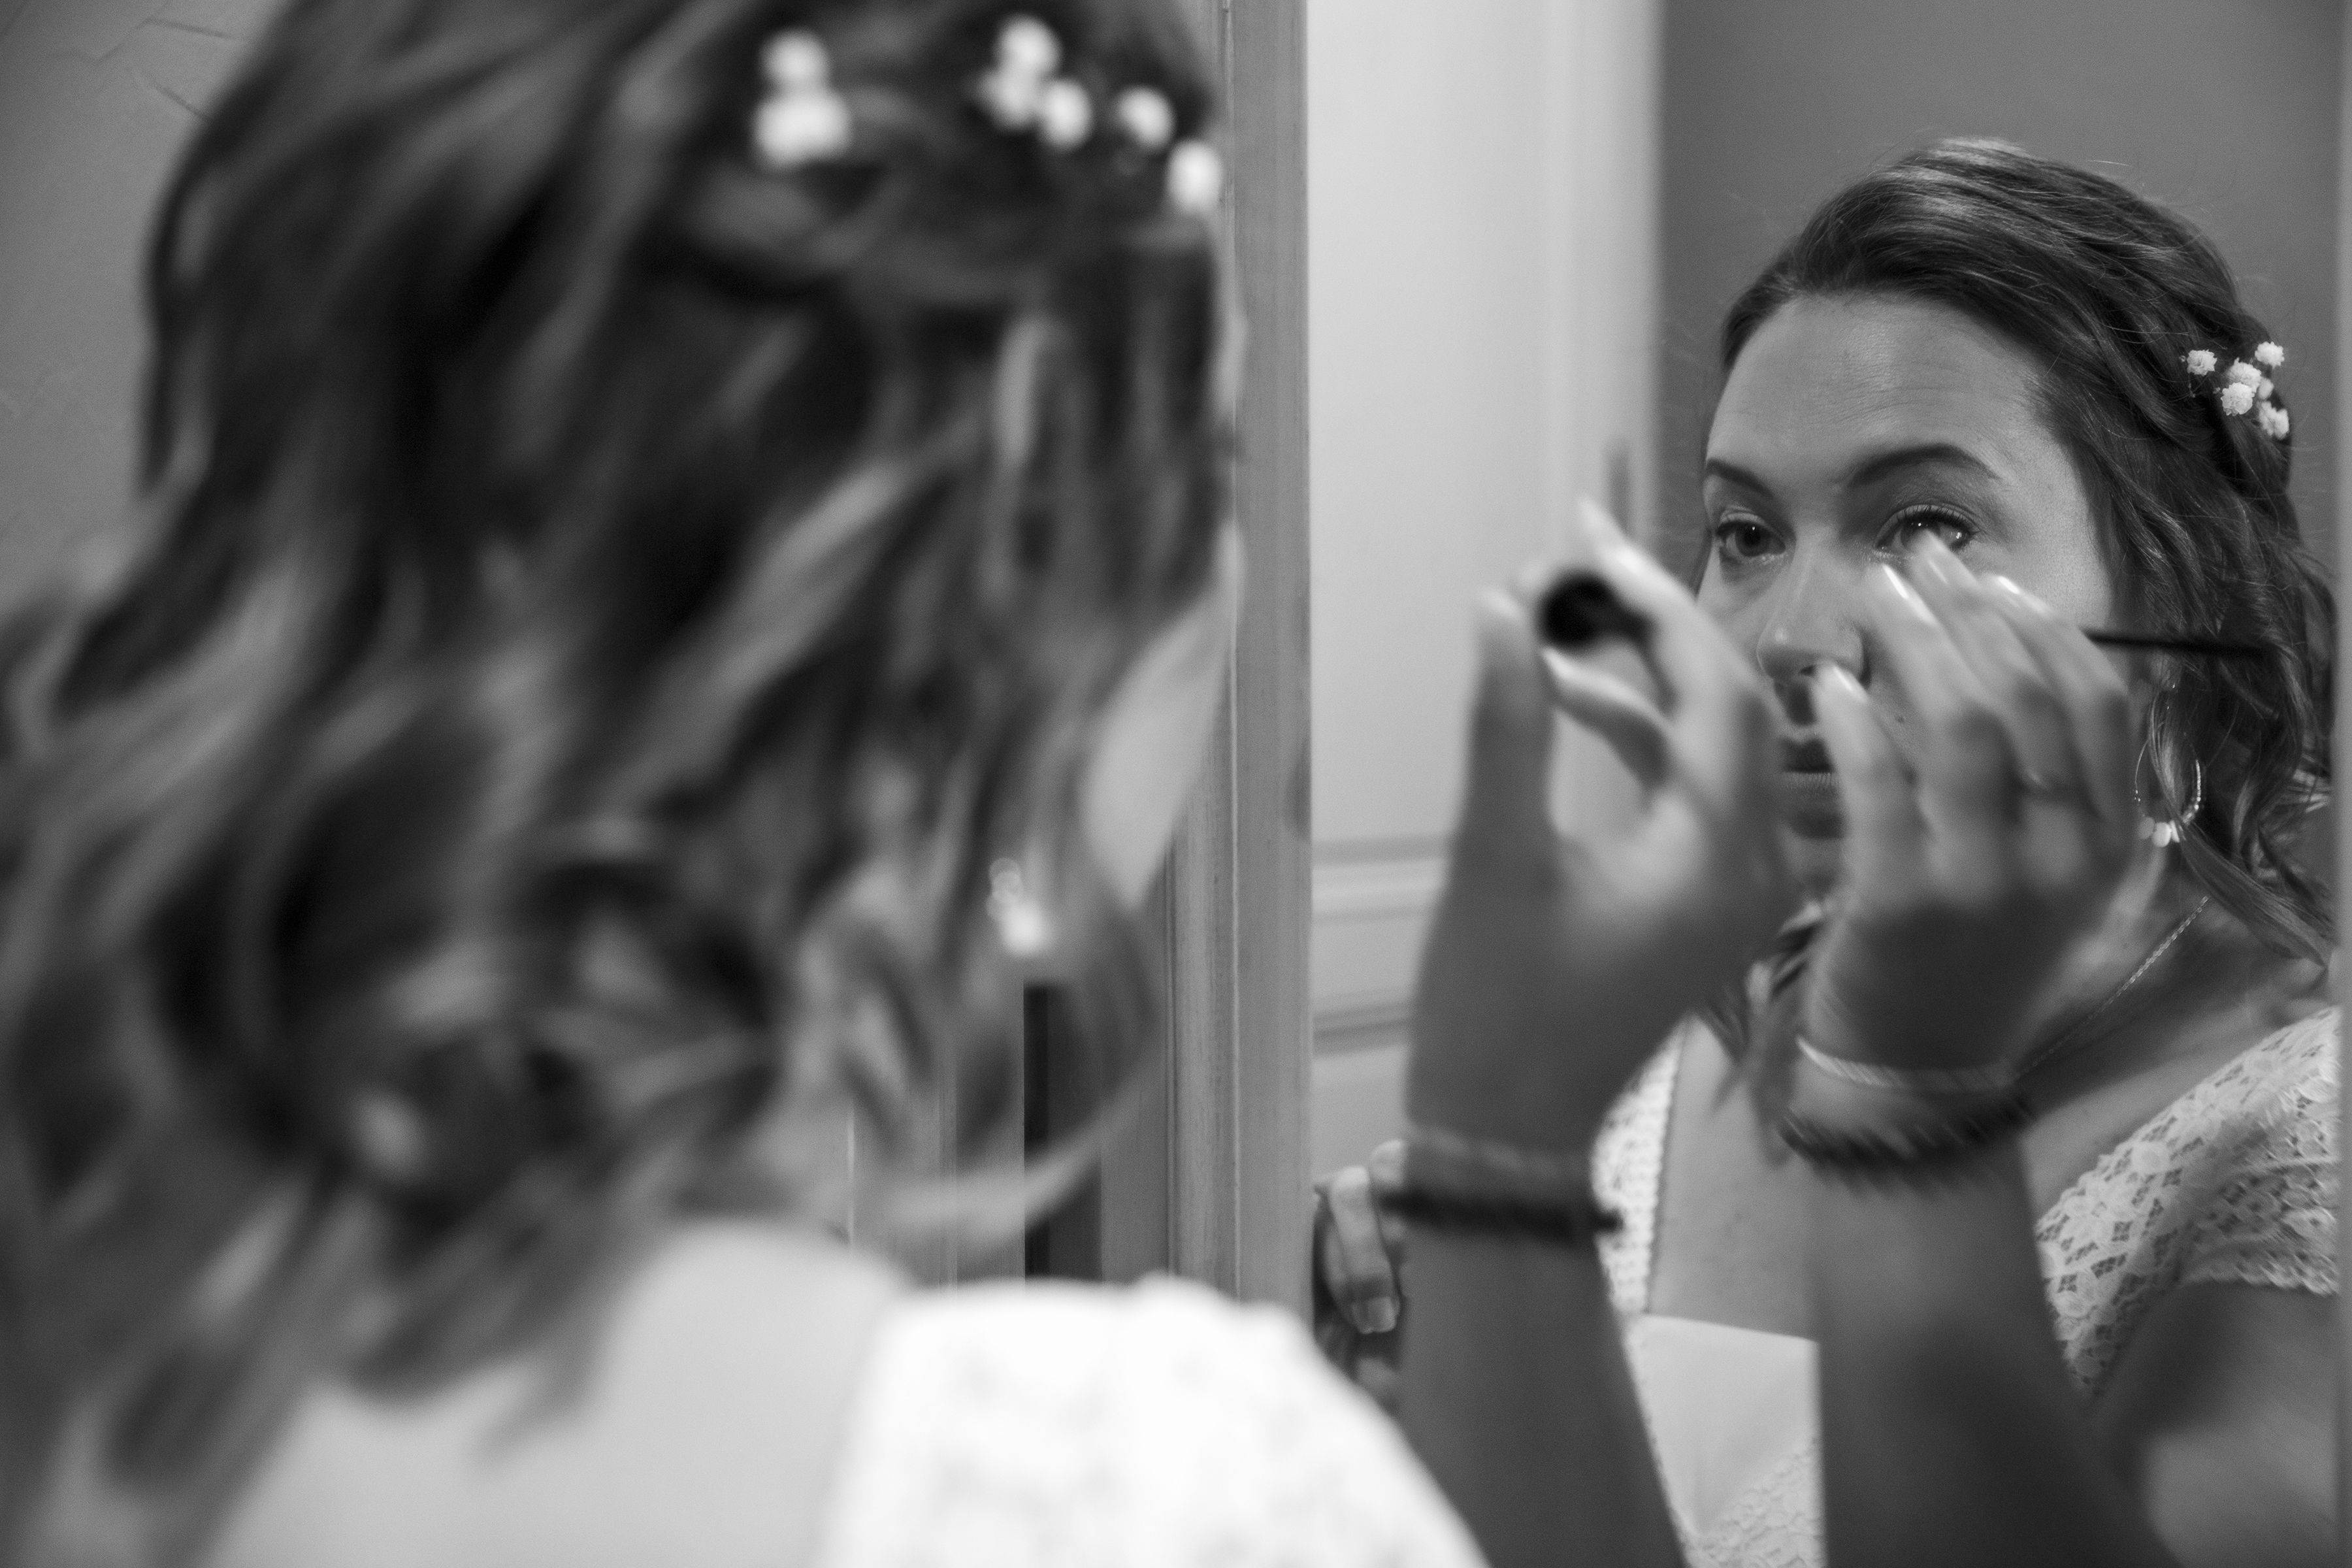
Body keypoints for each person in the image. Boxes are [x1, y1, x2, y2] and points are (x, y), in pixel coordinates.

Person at [0, 1, 1799, 1564]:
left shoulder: (83, 1278)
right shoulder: (1151, 1496)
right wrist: (1504, 1156)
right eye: (1216, 459)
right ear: (1031, 597)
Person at [1318, 139, 2340, 1567]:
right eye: (1744, 535)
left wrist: (1903, 1090)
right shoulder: (1662, 1038)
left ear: (2177, 599)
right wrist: (1480, 1285)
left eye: (1924, 523)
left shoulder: (2307, 1153)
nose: (1789, 638)